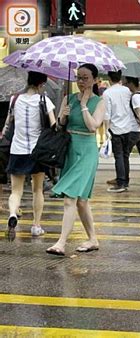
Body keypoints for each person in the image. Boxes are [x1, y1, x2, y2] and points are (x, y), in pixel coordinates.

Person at [46, 63, 106, 256]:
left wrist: (83, 106)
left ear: (95, 80)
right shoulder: (68, 98)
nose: (81, 82)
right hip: (70, 149)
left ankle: (61, 243)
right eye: (79, 77)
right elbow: (61, 125)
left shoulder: (99, 101)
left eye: (86, 77)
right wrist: (63, 117)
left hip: (87, 151)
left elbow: (92, 126)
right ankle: (93, 239)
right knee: (81, 201)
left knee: (70, 199)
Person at [1, 71, 56, 240]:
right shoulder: (44, 100)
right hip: (36, 151)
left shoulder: (15, 99)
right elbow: (54, 125)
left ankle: (12, 213)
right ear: (41, 84)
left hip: (17, 150)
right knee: (37, 189)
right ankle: (36, 226)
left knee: (16, 191)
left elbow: (8, 123)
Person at [103, 70, 132, 193]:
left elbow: (107, 114)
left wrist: (106, 130)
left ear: (109, 78)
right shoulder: (126, 91)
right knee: (125, 155)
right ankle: (125, 181)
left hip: (115, 128)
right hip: (128, 127)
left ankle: (120, 182)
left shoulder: (107, 93)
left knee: (119, 156)